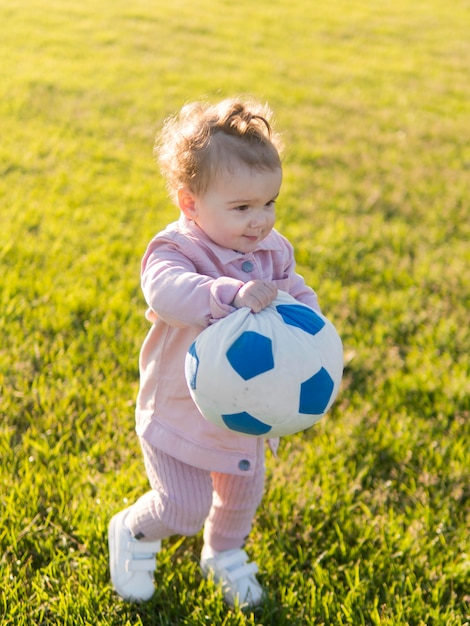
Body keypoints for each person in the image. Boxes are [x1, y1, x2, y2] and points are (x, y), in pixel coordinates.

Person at [108, 97, 321, 608]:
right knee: (183, 506)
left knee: (241, 496)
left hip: (245, 412)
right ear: (190, 203)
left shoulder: (272, 250)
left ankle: (222, 553)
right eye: (242, 208)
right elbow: (166, 291)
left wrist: (313, 325)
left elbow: (294, 290)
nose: (259, 221)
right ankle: (134, 531)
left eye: (269, 203)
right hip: (181, 409)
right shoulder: (176, 250)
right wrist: (226, 294)